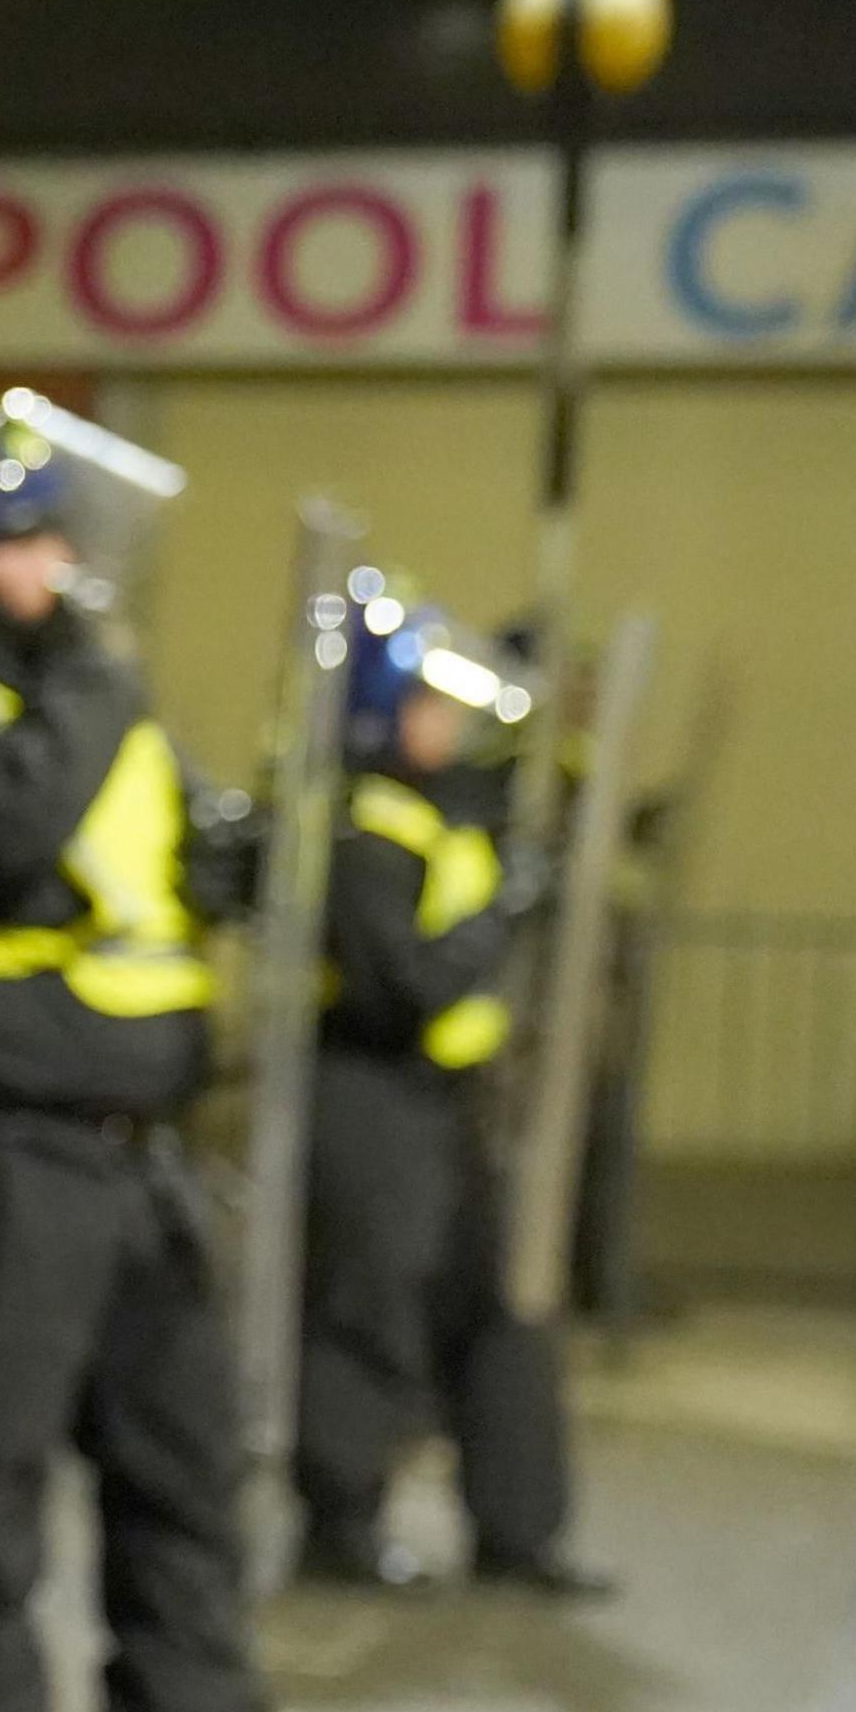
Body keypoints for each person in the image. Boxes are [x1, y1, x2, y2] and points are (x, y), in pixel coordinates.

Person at [0, 437, 352, 1712]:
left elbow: (132, 862)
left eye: (51, 542)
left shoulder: (70, 696)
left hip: (132, 1151)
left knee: (185, 1469)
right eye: (14, 545)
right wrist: (98, 676)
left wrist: (228, 858)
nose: (47, 571)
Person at [291, 598, 604, 1595]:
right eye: (427, 703)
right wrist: (499, 916)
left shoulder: (442, 805)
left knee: (502, 1310)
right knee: (368, 1311)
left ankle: (520, 1533)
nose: (447, 725)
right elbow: (405, 983)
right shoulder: (362, 827)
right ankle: (339, 1526)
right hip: (373, 1093)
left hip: (451, 1103)